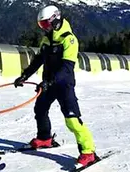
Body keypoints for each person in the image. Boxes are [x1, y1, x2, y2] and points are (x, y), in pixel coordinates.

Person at [14, 5, 96, 168]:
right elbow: (38, 60)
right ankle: (45, 138)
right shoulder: (47, 39)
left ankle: (88, 152)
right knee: (40, 109)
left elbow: (67, 68)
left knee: (72, 120)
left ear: (55, 19)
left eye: (45, 24)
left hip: (63, 84)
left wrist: (50, 81)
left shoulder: (69, 39)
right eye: (41, 25)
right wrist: (25, 75)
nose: (44, 28)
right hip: (48, 83)